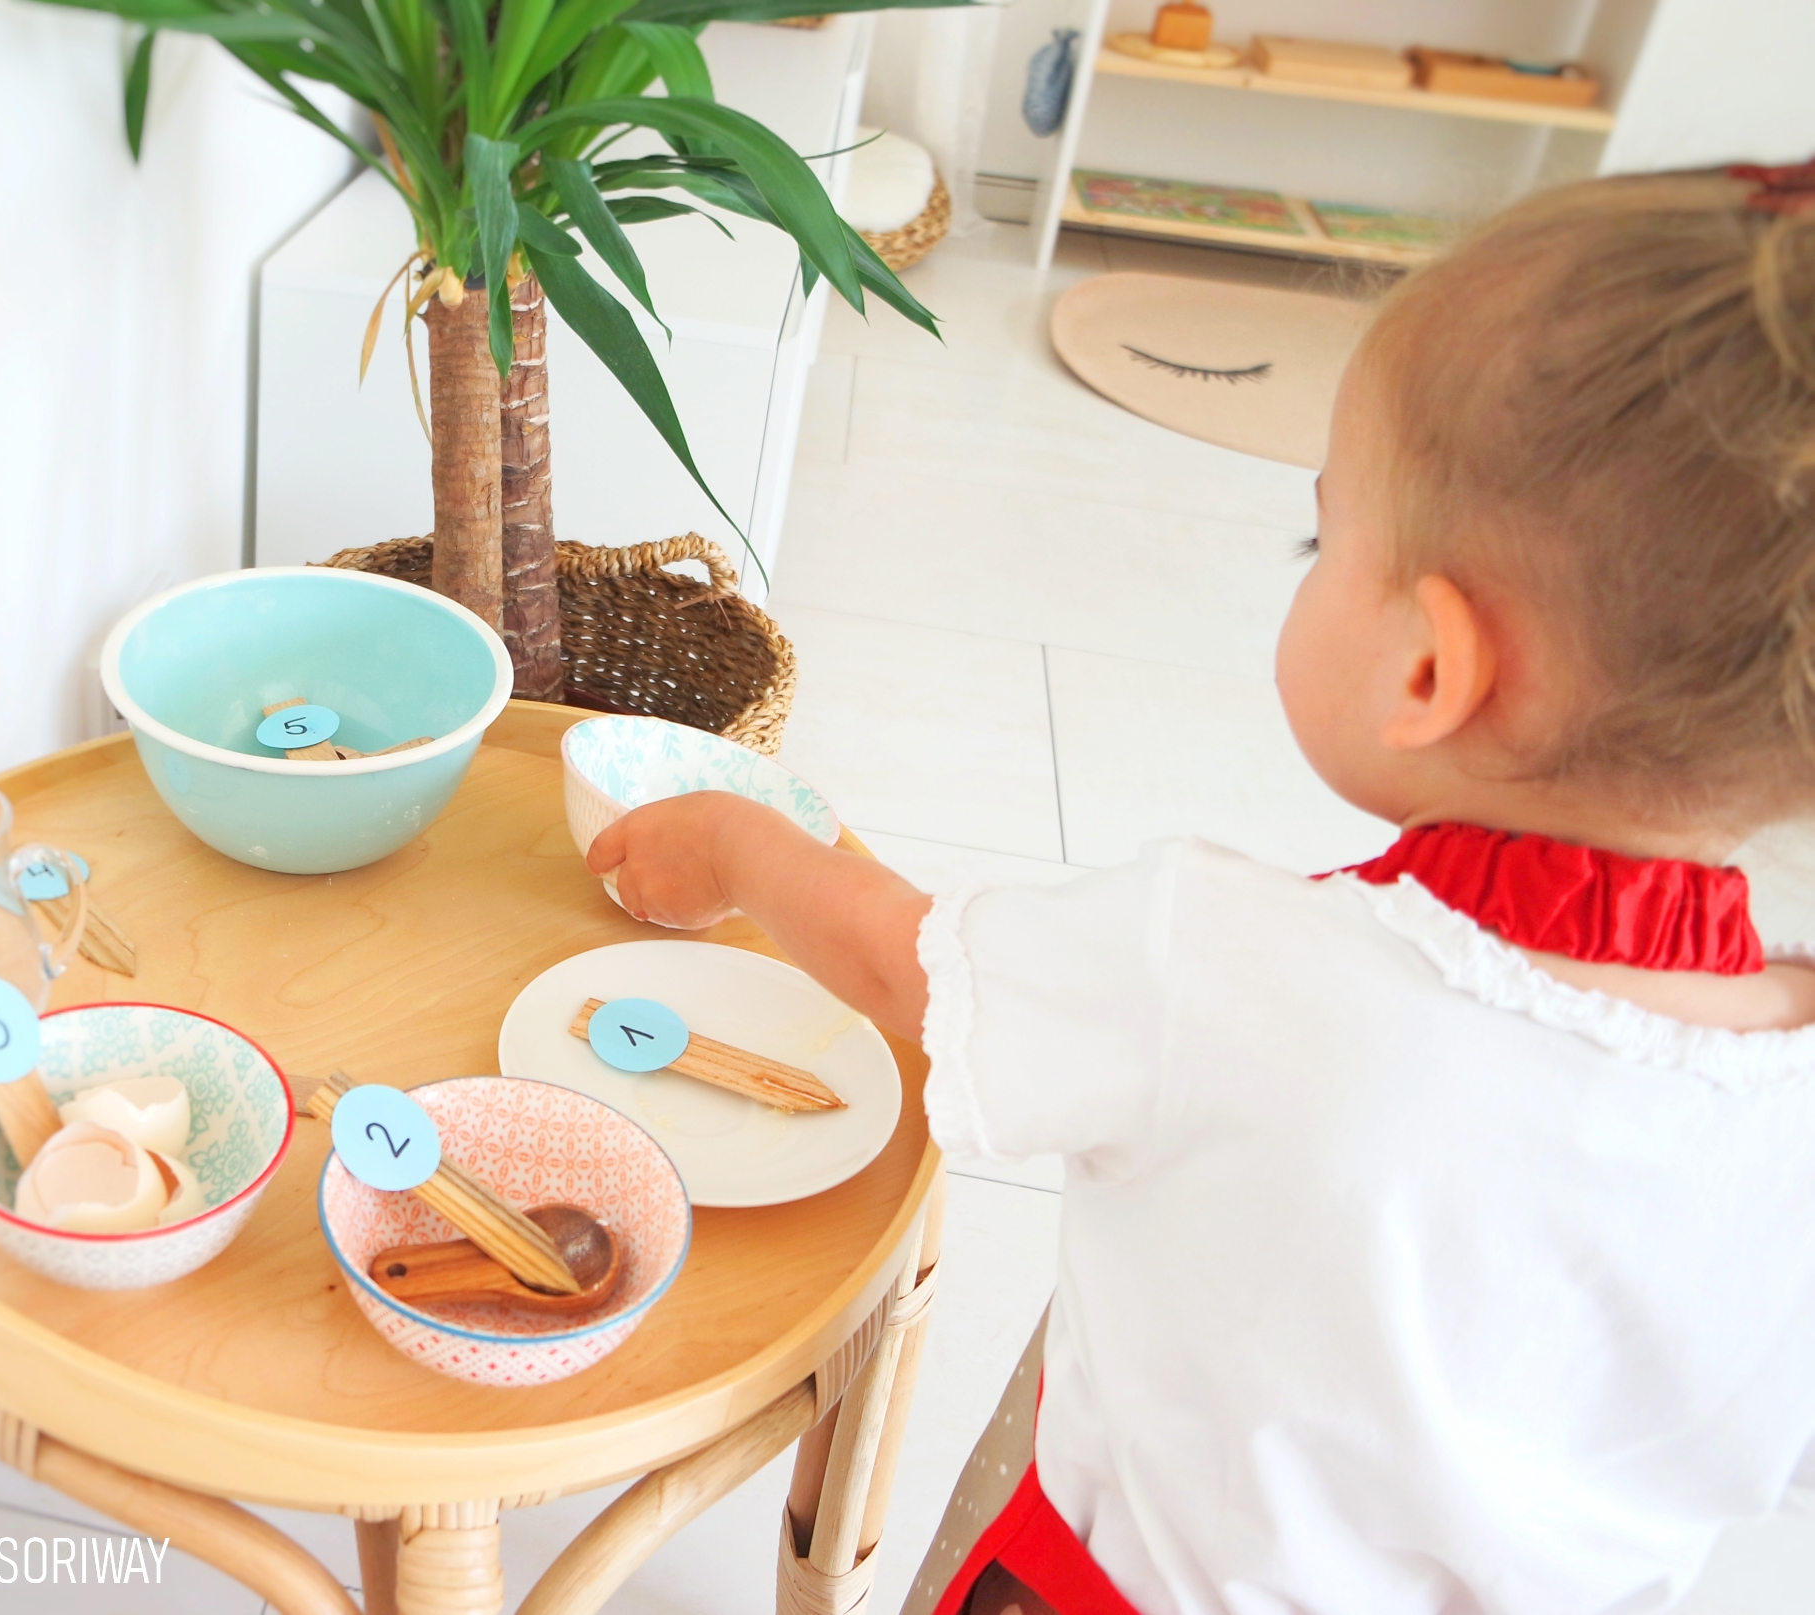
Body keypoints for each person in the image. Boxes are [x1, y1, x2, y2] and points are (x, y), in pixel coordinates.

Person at [585, 160, 1815, 1614]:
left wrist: (742, 846)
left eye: (1324, 536)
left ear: (1429, 668)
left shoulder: (1231, 962)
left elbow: (914, 977)